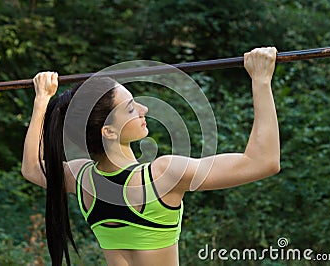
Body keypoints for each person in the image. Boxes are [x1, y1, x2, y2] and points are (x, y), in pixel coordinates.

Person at [21, 47, 280, 266]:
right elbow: (263, 161)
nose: (144, 109)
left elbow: (31, 168)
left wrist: (41, 101)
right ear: (109, 131)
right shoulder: (161, 175)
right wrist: (261, 80)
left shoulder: (82, 178)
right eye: (132, 108)